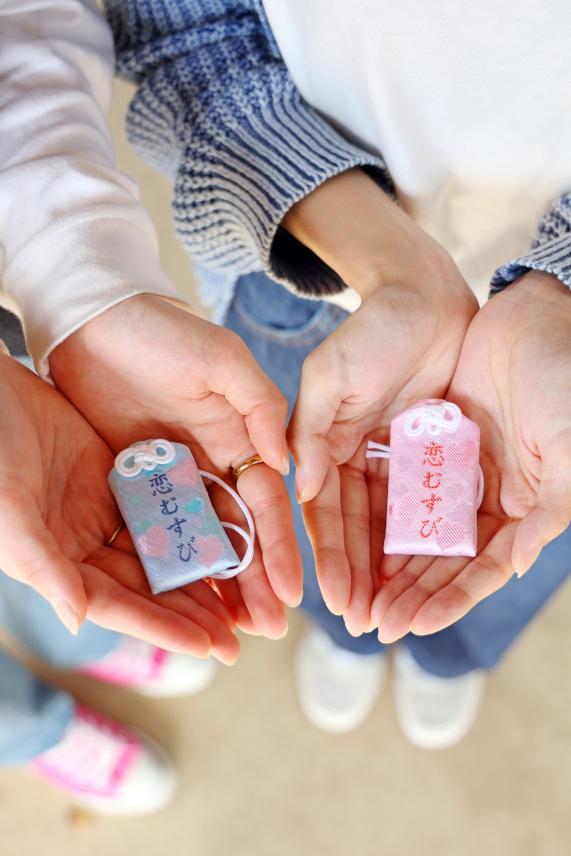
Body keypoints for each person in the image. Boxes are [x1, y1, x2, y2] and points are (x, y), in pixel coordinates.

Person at [0, 0, 569, 756]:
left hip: (544, 358)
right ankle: (351, 638)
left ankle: (451, 655)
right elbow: (185, 32)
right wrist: (395, 265)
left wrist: (557, 295)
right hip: (299, 266)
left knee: (529, 526)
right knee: (304, 501)